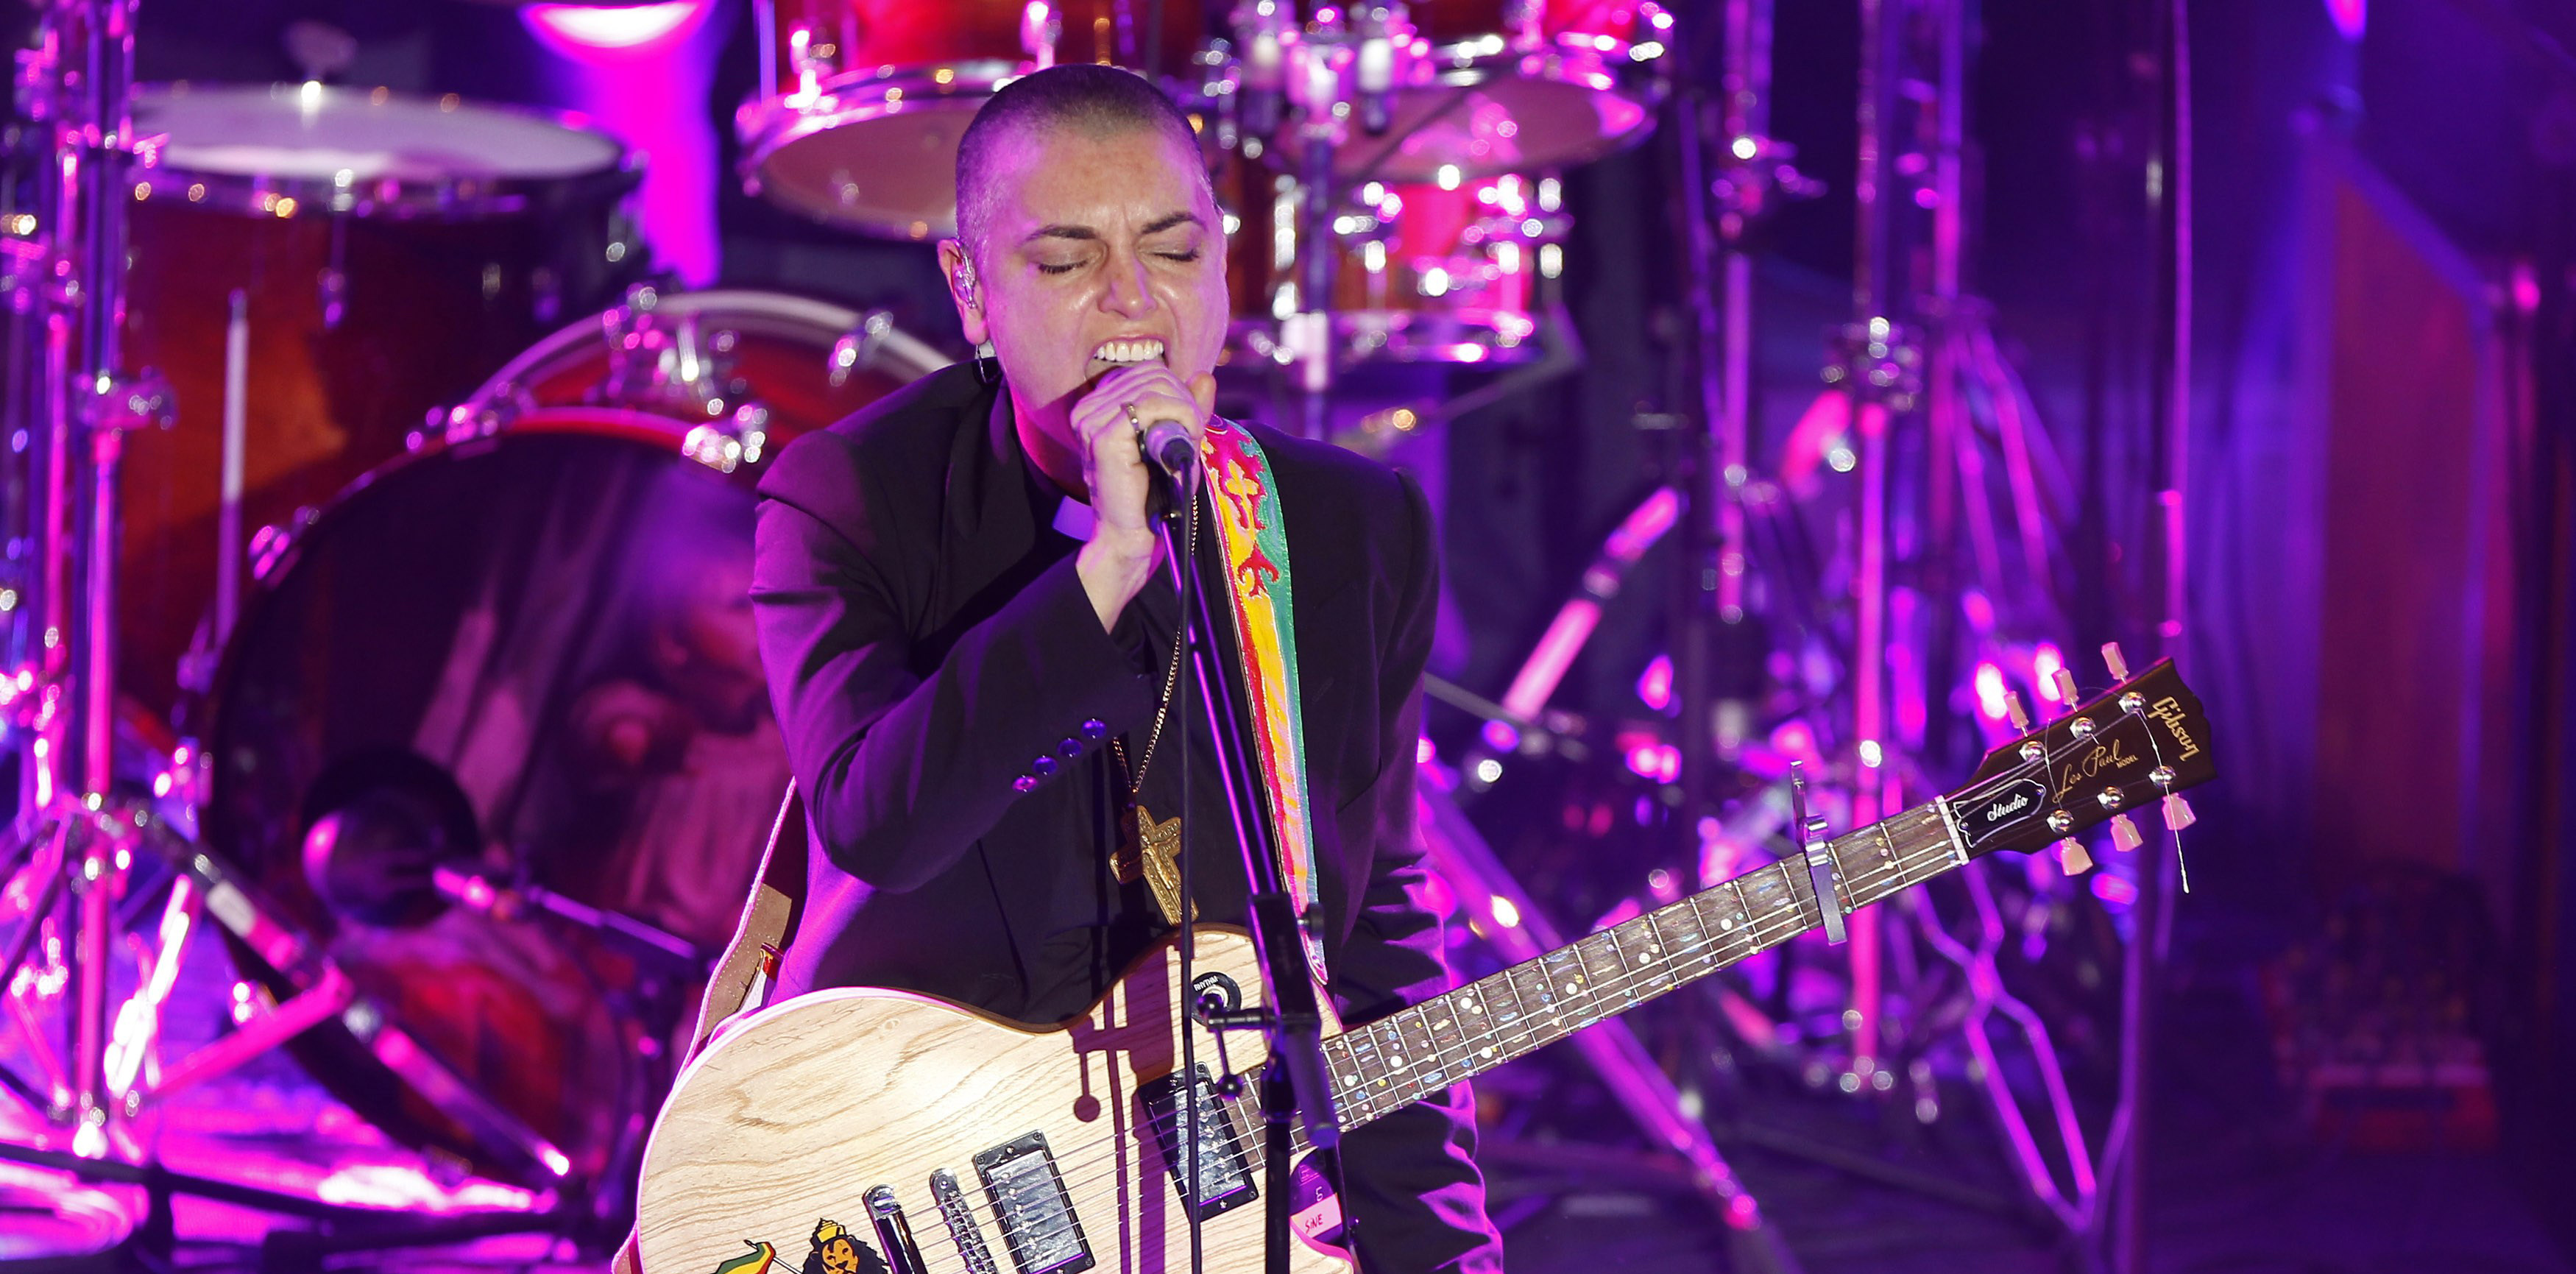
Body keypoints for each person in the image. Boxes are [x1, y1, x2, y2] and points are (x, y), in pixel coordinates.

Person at [749, 63, 1502, 1273]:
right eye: (1065, 262)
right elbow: (879, 824)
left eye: (1174, 251)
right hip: (921, 1184)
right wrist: (1103, 568)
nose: (1131, 301)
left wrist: (1443, 1258)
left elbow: (1370, 936)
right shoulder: (853, 498)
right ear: (972, 291)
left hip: (1207, 1198)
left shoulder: (1352, 531)